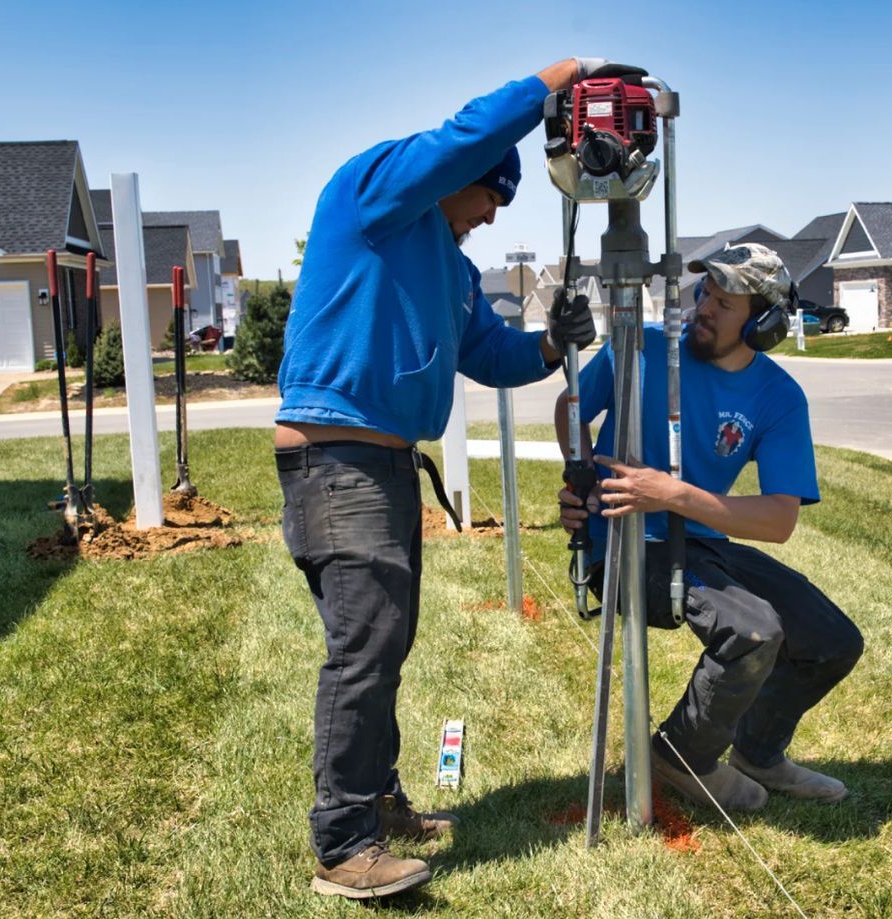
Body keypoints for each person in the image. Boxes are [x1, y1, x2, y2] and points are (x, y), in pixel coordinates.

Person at [275, 58, 637, 900]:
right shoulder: (374, 195)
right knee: (362, 648)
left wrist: (551, 343)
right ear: (461, 181)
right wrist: (560, 81)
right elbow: (467, 133)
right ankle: (343, 846)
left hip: (388, 462)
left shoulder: (453, 270)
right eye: (488, 201)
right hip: (334, 459)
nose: (486, 219)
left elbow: (492, 355)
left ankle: (378, 796)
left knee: (386, 640)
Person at [557, 243, 863, 813]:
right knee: (752, 632)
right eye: (705, 294)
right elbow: (571, 407)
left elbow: (778, 520)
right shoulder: (642, 348)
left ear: (765, 324)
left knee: (832, 642)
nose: (704, 308)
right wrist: (580, 479)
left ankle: (758, 754)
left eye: (725, 303)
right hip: (626, 542)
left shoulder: (778, 398)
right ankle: (680, 756)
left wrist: (673, 494)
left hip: (702, 540)